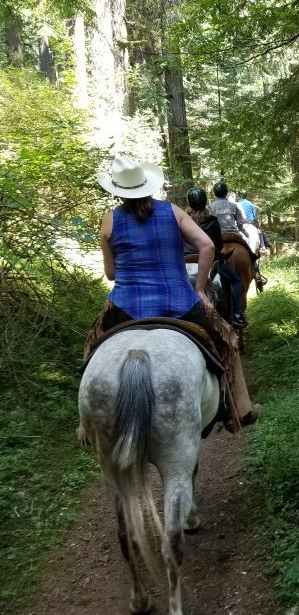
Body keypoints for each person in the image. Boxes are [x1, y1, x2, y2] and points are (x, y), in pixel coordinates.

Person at [83, 157, 259, 433]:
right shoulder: (173, 211)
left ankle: (86, 422)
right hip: (178, 302)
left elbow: (111, 274)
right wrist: (199, 288)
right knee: (227, 339)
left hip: (126, 306)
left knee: (93, 348)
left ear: (118, 191)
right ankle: (239, 408)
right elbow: (206, 246)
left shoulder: (109, 220)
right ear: (148, 186)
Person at [184, 187, 245, 329]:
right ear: (205, 202)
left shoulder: (183, 220)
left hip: (185, 259)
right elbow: (218, 244)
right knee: (236, 280)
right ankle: (236, 314)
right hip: (209, 260)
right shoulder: (211, 220)